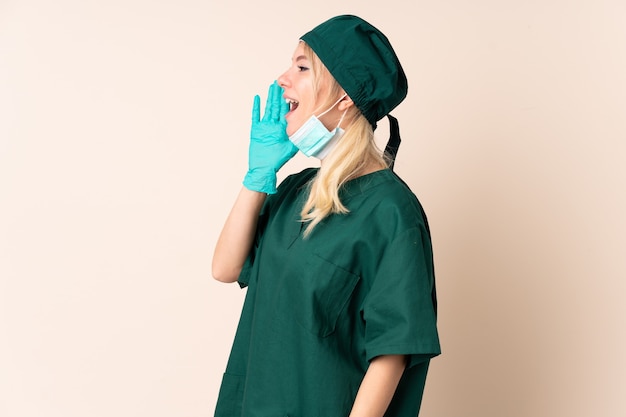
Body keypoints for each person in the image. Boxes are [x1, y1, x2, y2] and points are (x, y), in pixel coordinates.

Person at [212, 15, 440, 417]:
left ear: (346, 96)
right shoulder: (295, 190)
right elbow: (225, 268)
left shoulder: (391, 212)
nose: (283, 78)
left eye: (302, 67)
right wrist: (258, 178)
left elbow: (393, 350)